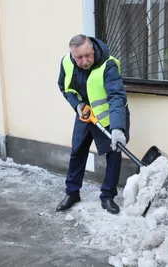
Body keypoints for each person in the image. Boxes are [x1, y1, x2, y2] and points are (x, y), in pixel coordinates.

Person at [56, 34, 130, 214]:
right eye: (79, 57)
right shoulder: (66, 62)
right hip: (85, 114)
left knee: (114, 154)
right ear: (72, 55)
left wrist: (117, 128)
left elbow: (116, 97)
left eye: (87, 55)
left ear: (93, 49)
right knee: (77, 151)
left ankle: (107, 196)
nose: (84, 61)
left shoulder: (108, 64)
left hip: (109, 116)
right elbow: (64, 88)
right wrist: (77, 105)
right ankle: (72, 193)